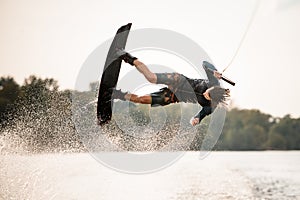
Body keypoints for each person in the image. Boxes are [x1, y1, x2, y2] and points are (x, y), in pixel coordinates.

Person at [112, 50, 230, 126]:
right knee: (151, 78)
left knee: (141, 100)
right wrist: (214, 71)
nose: (205, 94)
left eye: (207, 96)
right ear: (211, 88)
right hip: (180, 80)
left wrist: (195, 120)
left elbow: (200, 116)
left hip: (176, 96)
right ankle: (127, 57)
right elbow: (205, 63)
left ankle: (118, 94)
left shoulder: (210, 107)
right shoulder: (214, 82)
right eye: (207, 92)